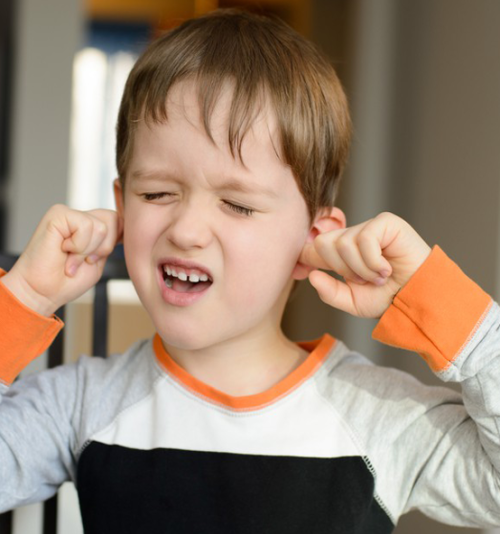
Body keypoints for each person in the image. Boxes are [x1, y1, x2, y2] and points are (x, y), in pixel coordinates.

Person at [0, 8, 499, 534]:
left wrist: (439, 303)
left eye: (237, 204)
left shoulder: (377, 418)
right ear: (123, 206)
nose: (187, 229)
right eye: (157, 193)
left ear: (314, 237)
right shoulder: (82, 405)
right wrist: (23, 297)